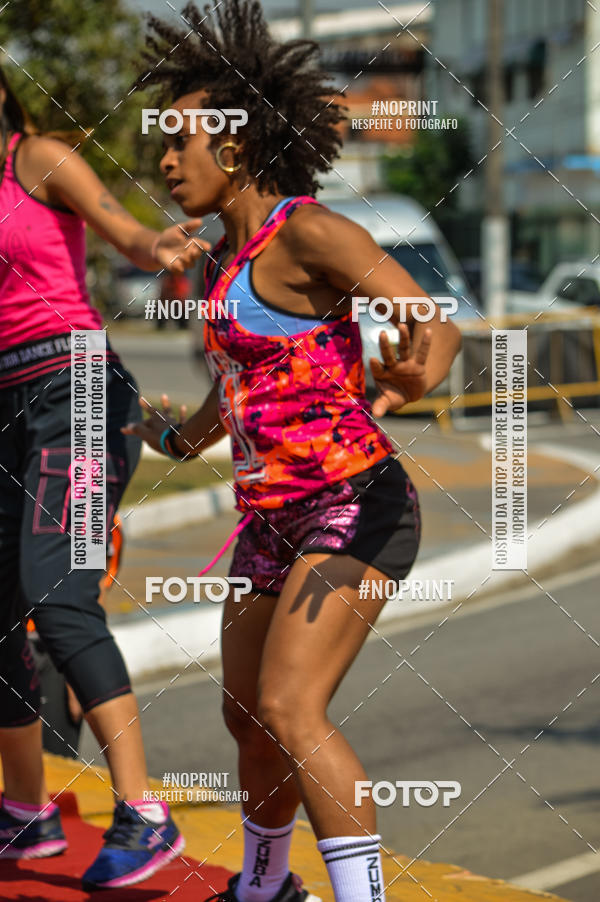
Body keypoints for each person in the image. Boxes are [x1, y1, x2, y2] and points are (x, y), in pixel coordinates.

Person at [126, 2, 462, 900]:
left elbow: (432, 322)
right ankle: (266, 886)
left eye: (179, 143)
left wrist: (408, 381)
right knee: (246, 717)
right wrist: (172, 436)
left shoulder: (306, 232)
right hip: (270, 521)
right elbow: (230, 391)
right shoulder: (220, 265)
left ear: (233, 151)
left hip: (355, 502)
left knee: (290, 706)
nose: (164, 160)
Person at [0, 64, 208, 888]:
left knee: (59, 595)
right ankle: (26, 813)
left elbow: (124, 230)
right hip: (4, 402)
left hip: (78, 385)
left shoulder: (37, 157)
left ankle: (143, 813)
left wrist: (157, 246)